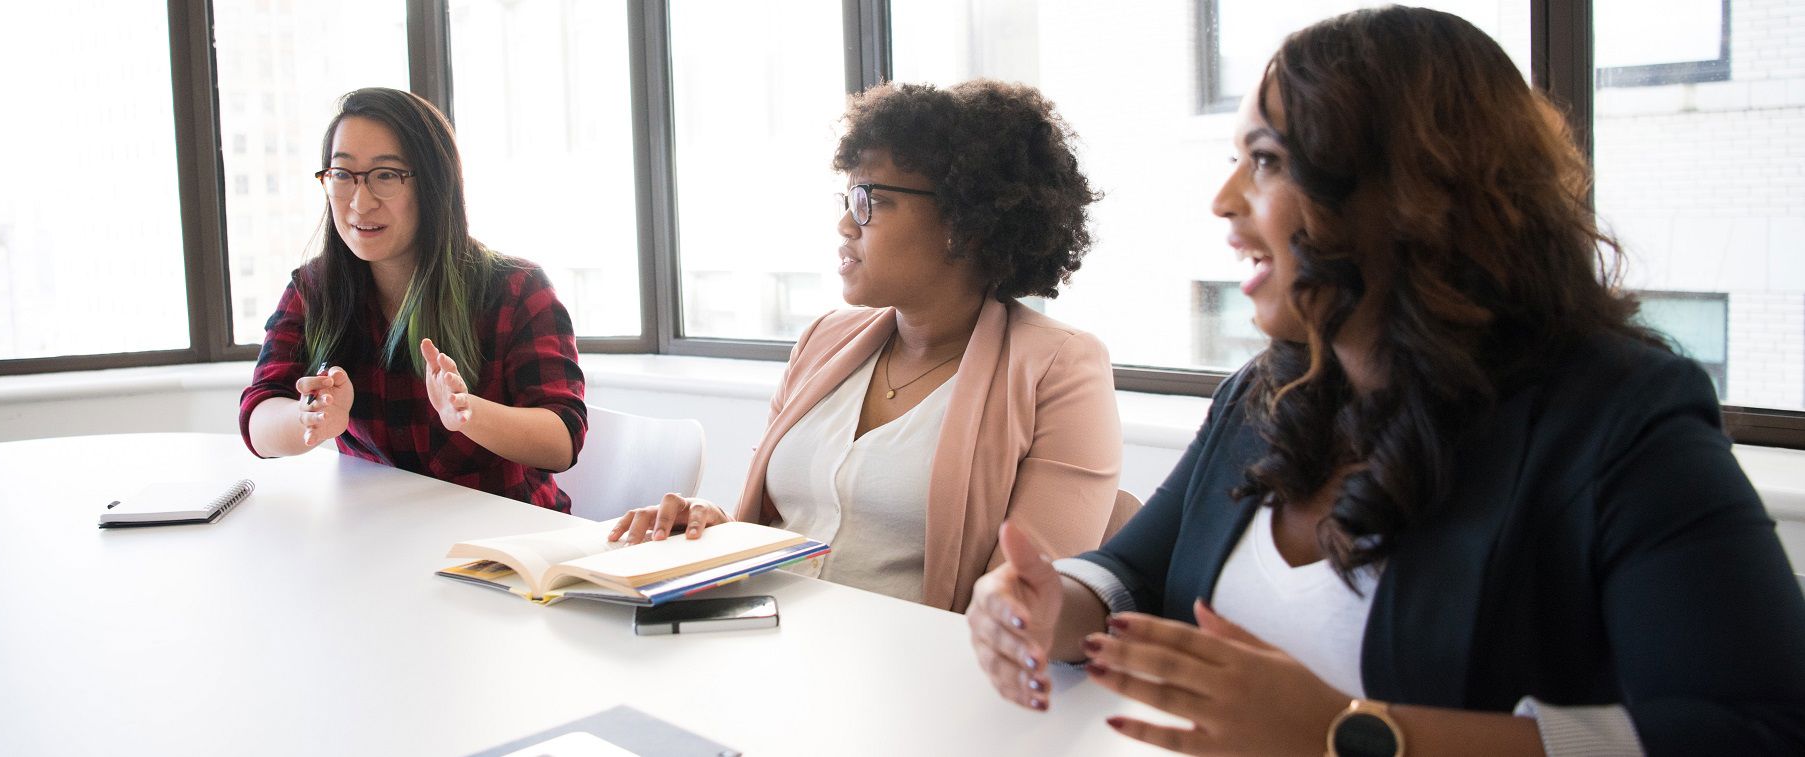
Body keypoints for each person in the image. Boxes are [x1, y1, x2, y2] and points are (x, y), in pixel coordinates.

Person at [967, 7, 1805, 755]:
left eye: (1264, 159)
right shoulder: (1269, 390)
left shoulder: (1620, 419)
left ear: (1411, 190)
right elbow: (1133, 574)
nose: (1224, 199)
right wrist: (1051, 603)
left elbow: (1755, 729)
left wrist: (1349, 736)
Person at [607, 80, 1123, 613]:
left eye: (869, 200)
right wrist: (712, 530)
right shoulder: (823, 340)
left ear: (965, 226)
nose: (845, 224)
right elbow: (781, 525)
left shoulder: (1059, 368)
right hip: (758, 640)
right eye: (847, 198)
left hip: (913, 675)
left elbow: (1025, 607)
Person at [239, 88, 587, 511]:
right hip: (381, 536)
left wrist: (467, 413)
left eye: (386, 175)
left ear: (433, 183)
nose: (359, 202)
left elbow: (562, 440)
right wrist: (308, 418)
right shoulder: (314, 290)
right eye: (343, 174)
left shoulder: (515, 288)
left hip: (503, 545)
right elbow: (259, 418)